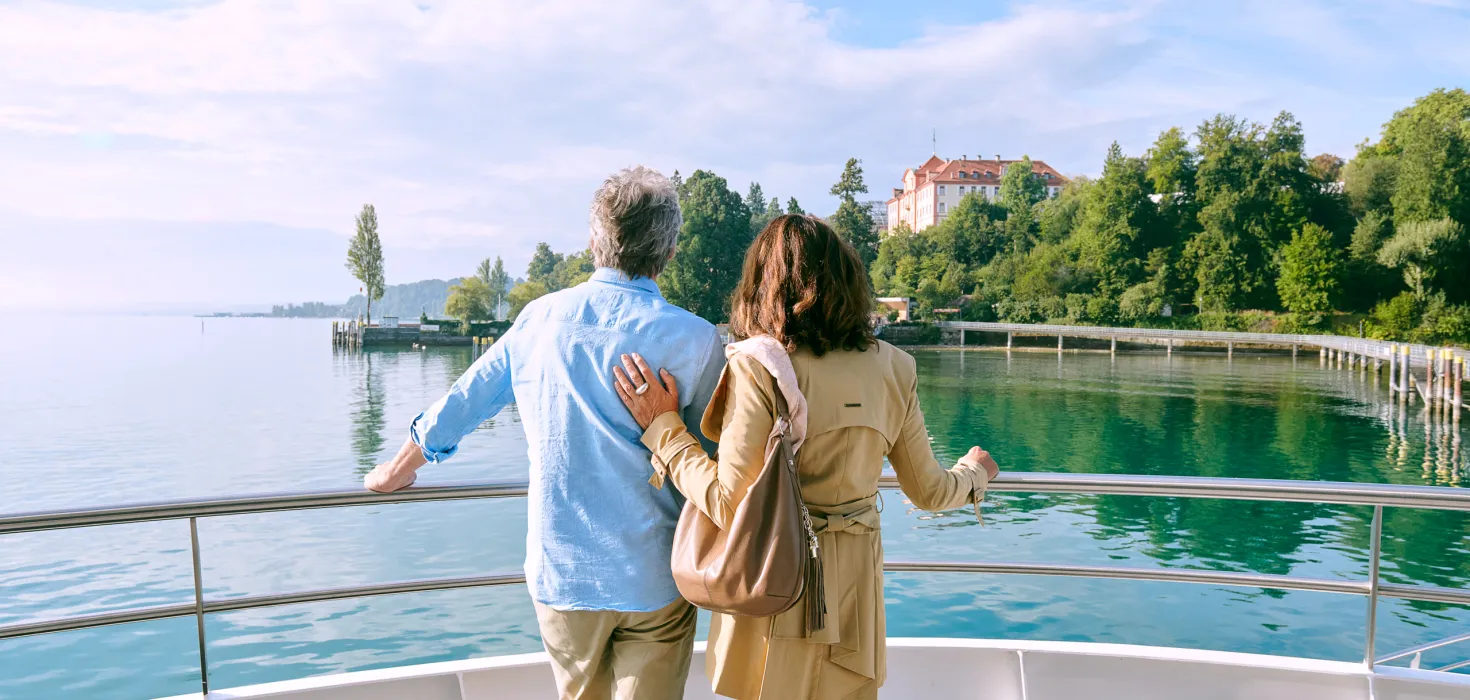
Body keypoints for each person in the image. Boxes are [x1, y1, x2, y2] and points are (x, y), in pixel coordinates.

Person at [364, 166, 725, 700]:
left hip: (564, 573)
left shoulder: (540, 320)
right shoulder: (696, 340)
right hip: (654, 575)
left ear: (594, 243)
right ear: (669, 251)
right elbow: (717, 464)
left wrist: (398, 469)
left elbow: (465, 401)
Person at [611, 214, 998, 700]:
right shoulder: (895, 367)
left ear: (761, 284)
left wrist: (664, 430)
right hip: (855, 598)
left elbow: (730, 504)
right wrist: (975, 473)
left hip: (776, 582)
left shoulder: (760, 366)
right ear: (849, 282)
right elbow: (930, 492)